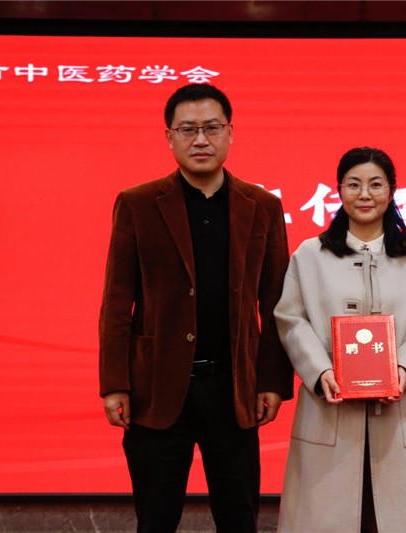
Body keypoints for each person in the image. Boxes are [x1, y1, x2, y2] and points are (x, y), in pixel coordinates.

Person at [99, 83, 293, 533]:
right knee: (155, 519)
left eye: (211, 128)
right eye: (187, 129)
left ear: (230, 133)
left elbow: (276, 302)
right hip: (156, 390)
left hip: (233, 389)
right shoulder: (137, 204)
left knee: (239, 517)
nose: (200, 139)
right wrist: (115, 384)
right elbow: (116, 302)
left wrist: (272, 381)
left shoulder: (262, 206)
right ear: (169, 137)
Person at [274, 147, 406, 532]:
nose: (364, 194)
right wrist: (319, 371)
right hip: (328, 414)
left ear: (391, 190)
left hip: (397, 418)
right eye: (353, 185)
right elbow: (291, 320)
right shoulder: (310, 255)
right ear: (339, 190)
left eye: (376, 184)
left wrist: (402, 369)